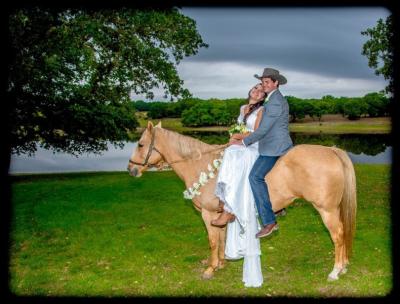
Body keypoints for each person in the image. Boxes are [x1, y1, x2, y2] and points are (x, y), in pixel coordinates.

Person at [212, 83, 266, 287]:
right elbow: (237, 130)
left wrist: (238, 138)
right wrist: (233, 137)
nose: (257, 91)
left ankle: (227, 206)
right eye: (255, 88)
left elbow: (258, 134)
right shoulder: (243, 108)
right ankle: (225, 200)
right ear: (250, 91)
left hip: (253, 148)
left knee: (234, 154)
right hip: (239, 145)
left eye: (261, 91)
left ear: (263, 97)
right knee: (230, 152)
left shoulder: (261, 110)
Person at [229, 68, 293, 239]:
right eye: (263, 82)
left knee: (255, 177)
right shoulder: (271, 100)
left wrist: (242, 142)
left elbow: (263, 130)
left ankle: (269, 221)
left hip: (275, 147)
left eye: (267, 82)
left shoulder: (275, 101)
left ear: (275, 83)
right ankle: (278, 206)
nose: (264, 85)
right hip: (268, 145)